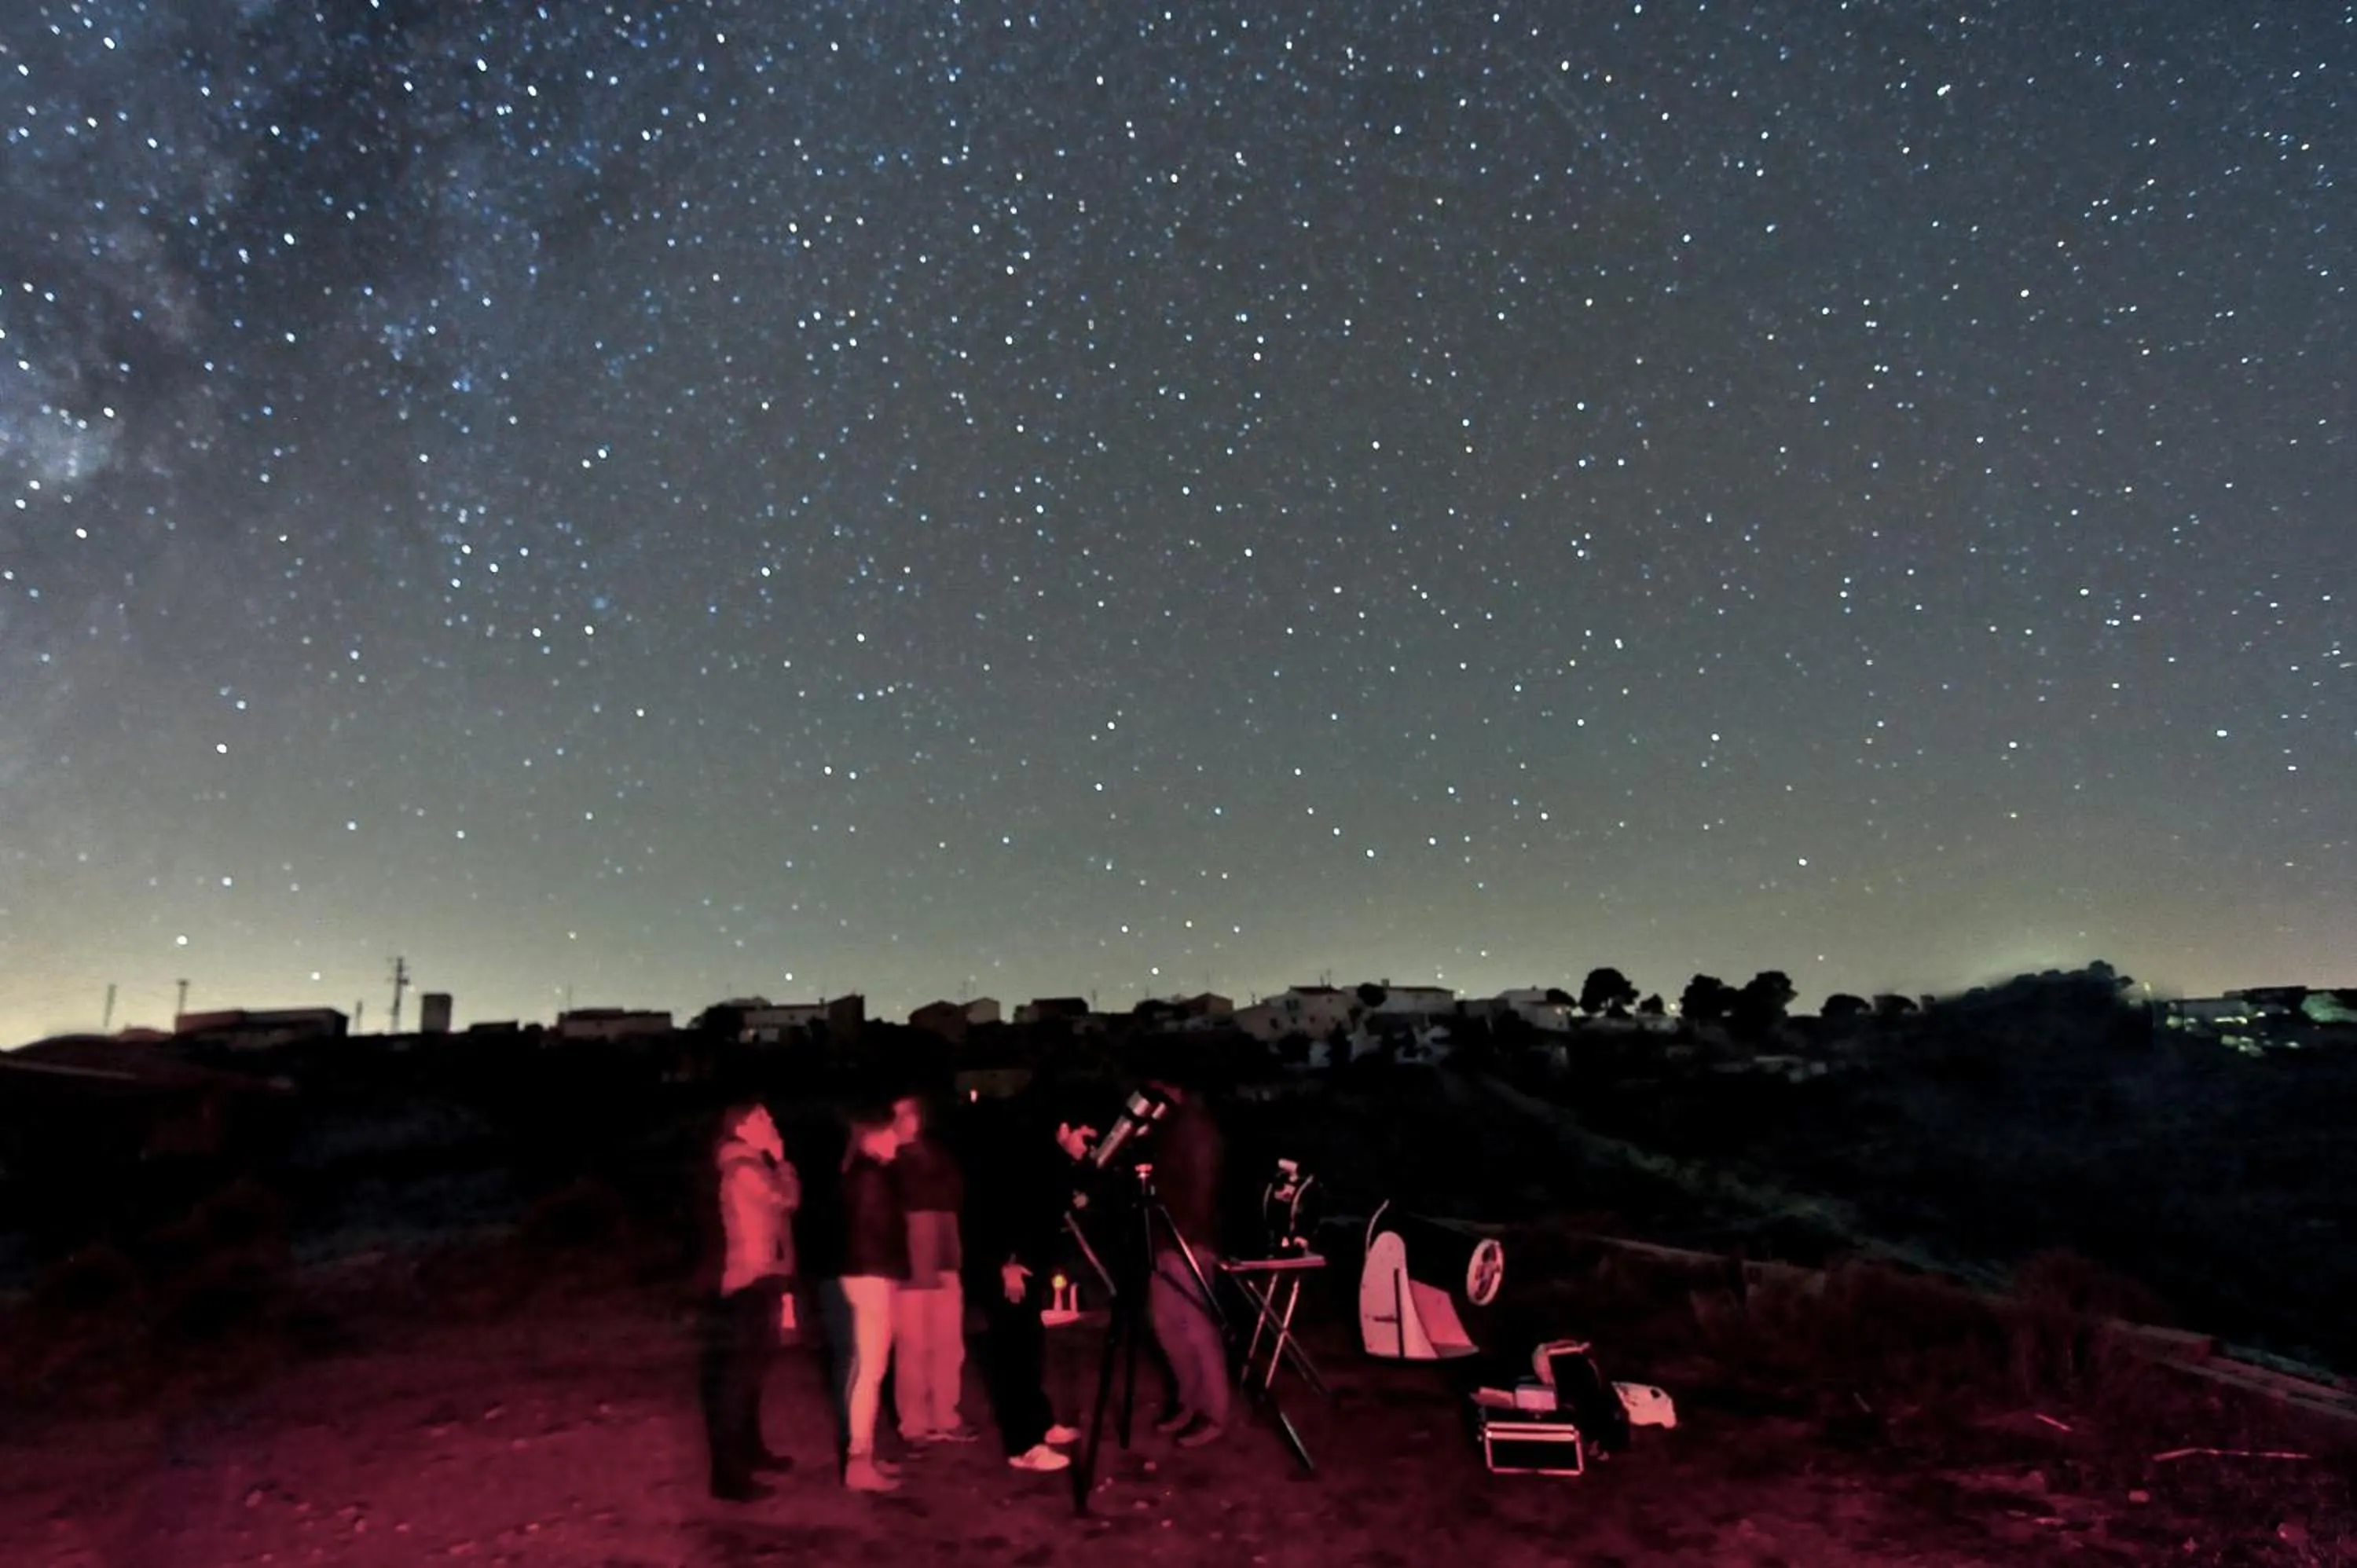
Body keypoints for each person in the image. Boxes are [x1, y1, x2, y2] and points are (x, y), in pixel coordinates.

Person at [959, 1090, 1090, 1473]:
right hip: (1009, 1270)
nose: (1086, 1143)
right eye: (1081, 1135)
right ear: (1062, 1129)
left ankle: (1040, 1422)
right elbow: (997, 1214)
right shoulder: (1019, 1160)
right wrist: (1006, 1264)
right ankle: (1022, 1444)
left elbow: (1049, 1208)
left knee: (1029, 1348)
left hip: (1028, 1266)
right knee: (1013, 1354)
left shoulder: (1046, 1160)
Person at [699, 1101, 801, 1502]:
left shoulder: (747, 1165)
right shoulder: (745, 1168)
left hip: (759, 1276)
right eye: (765, 1119)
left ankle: (749, 1452)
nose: (773, 1123)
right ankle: (728, 1477)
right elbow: (786, 1201)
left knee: (750, 1377)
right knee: (737, 1382)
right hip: (749, 1281)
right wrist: (783, 1161)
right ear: (743, 1126)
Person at [825, 1101, 910, 1493]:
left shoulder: (867, 1174)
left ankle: (863, 1454)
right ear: (872, 1137)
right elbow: (878, 1235)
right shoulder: (870, 1178)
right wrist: (891, 1276)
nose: (898, 1139)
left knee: (868, 1369)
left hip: (868, 1276)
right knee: (868, 1371)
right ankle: (859, 1461)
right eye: (891, 1132)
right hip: (870, 1278)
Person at [1142, 1072, 1229, 1449]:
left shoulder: (1195, 1128)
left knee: (1195, 1328)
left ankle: (1214, 1412)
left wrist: (1189, 1237)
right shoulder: (1169, 1127)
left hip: (1187, 1239)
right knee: (1165, 1325)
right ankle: (1188, 1401)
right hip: (1163, 1238)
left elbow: (1201, 1186)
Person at [888, 1094, 977, 1446]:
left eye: (910, 1114)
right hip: (909, 1264)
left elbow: (956, 1194)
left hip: (944, 1257)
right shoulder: (888, 1159)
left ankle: (946, 1415)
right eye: (898, 1116)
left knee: (949, 1345)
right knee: (912, 1347)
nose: (906, 1122)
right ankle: (914, 1424)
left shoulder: (937, 1153)